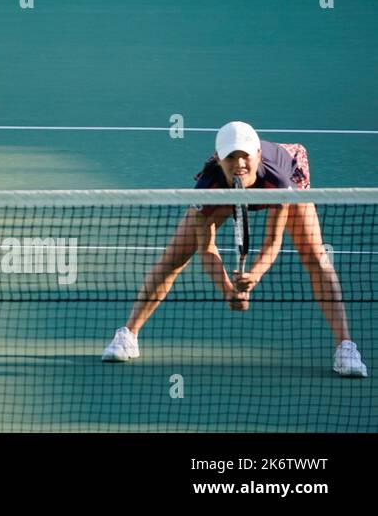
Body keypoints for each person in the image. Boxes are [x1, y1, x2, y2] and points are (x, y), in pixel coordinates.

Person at [102, 121, 368, 378]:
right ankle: (128, 335)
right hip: (225, 194)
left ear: (258, 155)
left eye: (245, 156)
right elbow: (206, 247)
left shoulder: (279, 182)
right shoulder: (207, 188)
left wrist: (254, 276)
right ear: (219, 159)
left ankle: (345, 348)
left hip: (282, 176)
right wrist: (227, 290)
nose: (239, 164)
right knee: (175, 256)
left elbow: (273, 241)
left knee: (315, 257)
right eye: (231, 157)